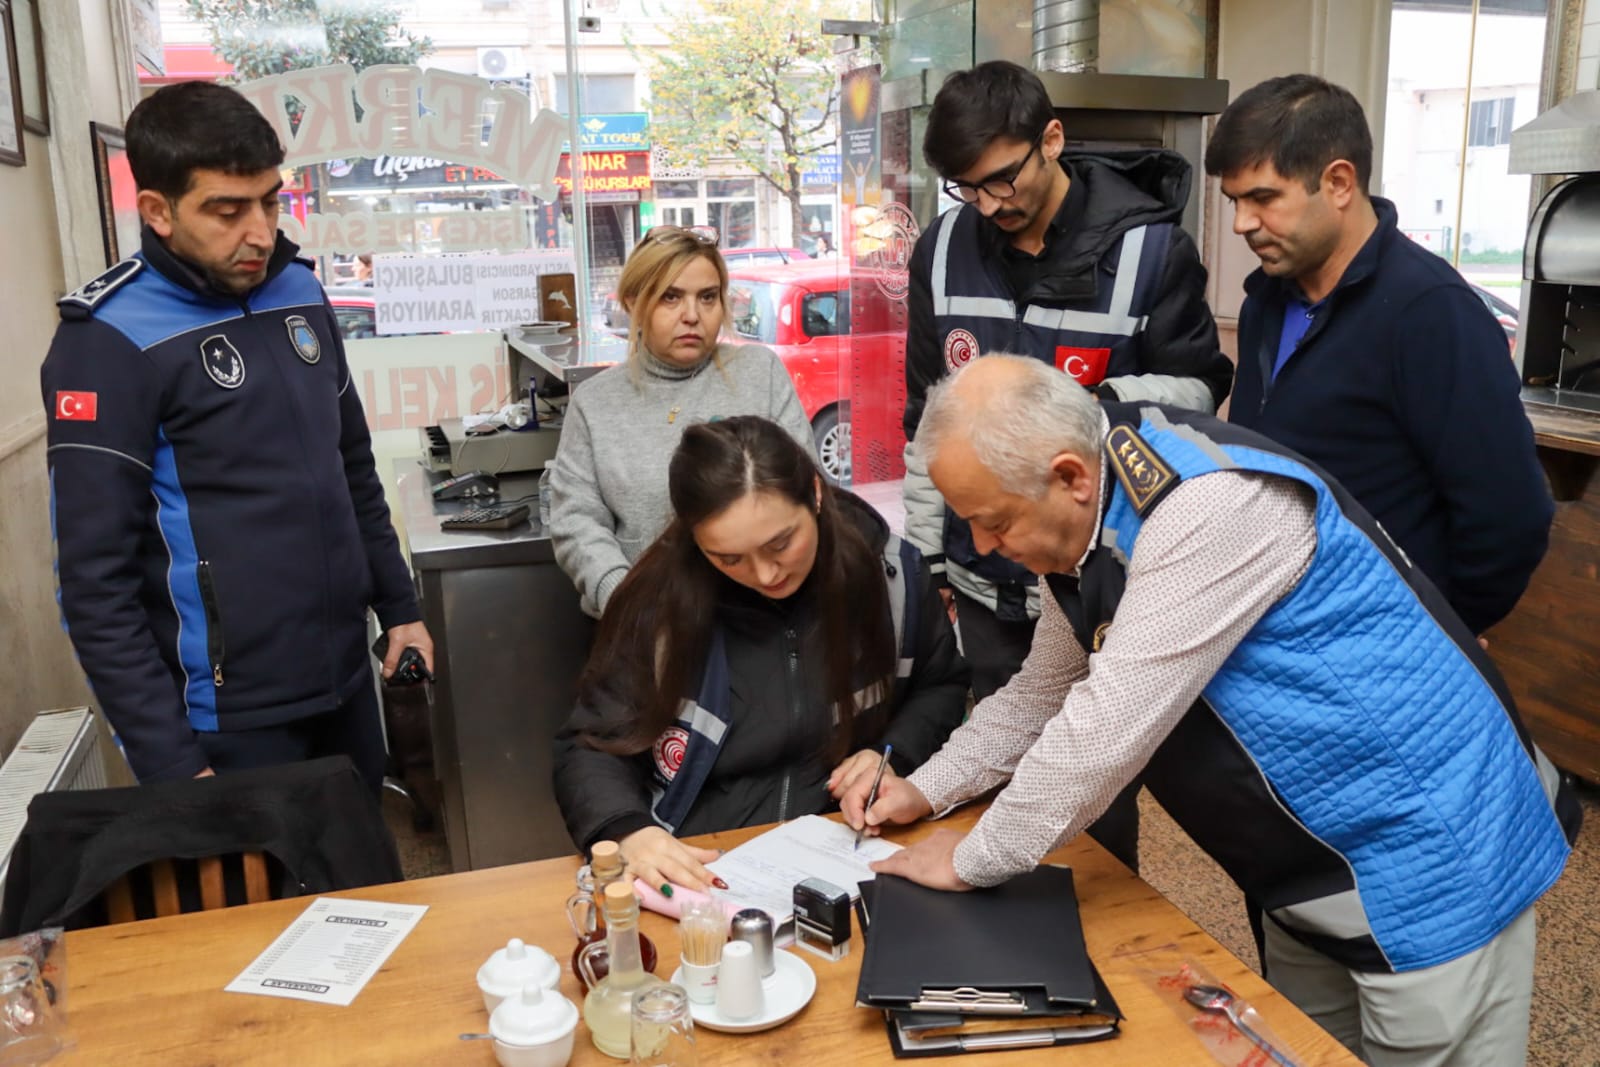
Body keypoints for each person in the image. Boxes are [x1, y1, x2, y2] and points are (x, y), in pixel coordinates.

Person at [845, 355, 1581, 1067]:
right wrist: (925, 788)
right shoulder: (1088, 510)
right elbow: (1044, 691)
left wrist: (971, 859)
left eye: (994, 521)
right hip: (1307, 867)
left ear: (1069, 476)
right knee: (1302, 1049)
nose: (981, 546)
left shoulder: (1204, 508)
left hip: (1430, 856)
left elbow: (1100, 732)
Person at [39, 81, 431, 792]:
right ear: (157, 211)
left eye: (270, 202)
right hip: (226, 718)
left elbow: (350, 466)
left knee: (365, 860)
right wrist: (168, 761)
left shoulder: (300, 293)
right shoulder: (107, 340)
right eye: (227, 211)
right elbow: (94, 587)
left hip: (344, 679)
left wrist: (399, 608)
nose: (260, 233)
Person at [900, 59, 1233, 869]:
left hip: (1099, 572)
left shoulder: (1151, 250)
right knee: (994, 748)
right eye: (966, 188)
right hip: (983, 572)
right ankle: (989, 895)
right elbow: (924, 417)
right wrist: (930, 557)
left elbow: (1197, 392)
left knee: (1093, 787)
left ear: (1052, 139)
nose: (988, 204)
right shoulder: (941, 252)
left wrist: (1074, 405)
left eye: (1002, 179)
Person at [554, 416, 968, 892]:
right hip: (701, 862)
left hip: (849, 847)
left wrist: (890, 753)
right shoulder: (657, 605)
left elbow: (941, 685)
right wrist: (628, 831)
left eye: (781, 544)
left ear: (815, 493)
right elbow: (589, 746)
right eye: (728, 559)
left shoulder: (891, 578)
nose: (767, 574)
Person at [1205, 74, 1553, 637]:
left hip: (1378, 648)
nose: (1242, 223)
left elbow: (1510, 516)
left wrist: (1434, 631)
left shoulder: (1431, 312)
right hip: (1274, 634)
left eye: (1263, 198)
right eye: (1235, 201)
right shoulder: (1264, 302)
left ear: (1339, 182)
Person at [549, 227, 817, 617]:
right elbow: (576, 521)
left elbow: (808, 486)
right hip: (645, 619)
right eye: (670, 297)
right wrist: (624, 600)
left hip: (762, 617)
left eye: (707, 297)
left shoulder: (760, 372)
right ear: (633, 303)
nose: (692, 316)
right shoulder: (595, 403)